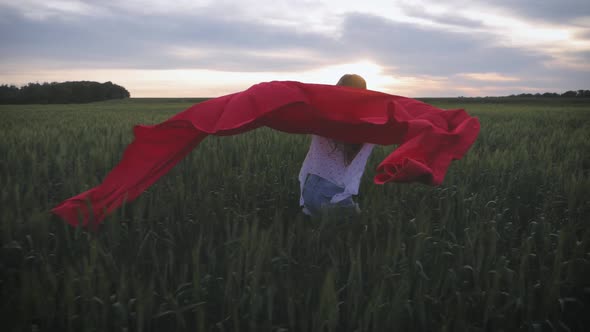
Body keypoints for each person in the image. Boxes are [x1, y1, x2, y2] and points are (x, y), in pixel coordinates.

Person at [298, 74, 375, 218]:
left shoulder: (321, 114)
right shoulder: (366, 125)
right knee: (365, 227)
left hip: (308, 193)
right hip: (332, 198)